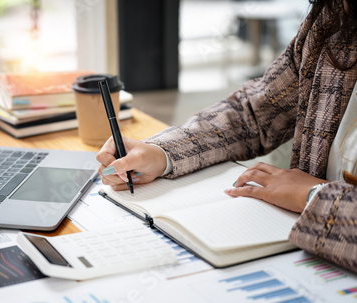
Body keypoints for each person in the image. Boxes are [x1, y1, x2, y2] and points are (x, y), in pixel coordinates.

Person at [97, 0, 357, 272]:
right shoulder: (337, 18)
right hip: (300, 257)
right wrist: (162, 153)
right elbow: (256, 112)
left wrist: (314, 195)